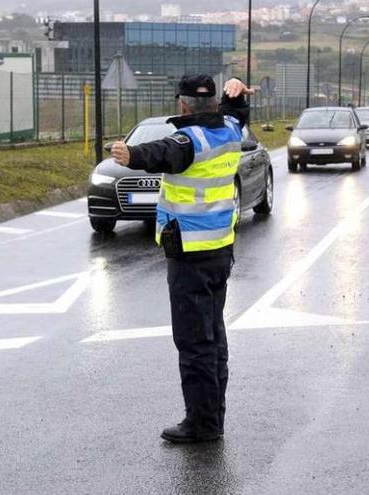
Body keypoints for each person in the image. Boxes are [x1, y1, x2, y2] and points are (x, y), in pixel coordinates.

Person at [109, 75, 252, 444]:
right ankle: (212, 417)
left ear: (183, 104)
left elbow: (164, 152)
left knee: (195, 344)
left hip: (189, 253)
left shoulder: (189, 140)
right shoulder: (230, 130)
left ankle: (202, 425)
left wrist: (132, 155)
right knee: (214, 339)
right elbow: (237, 111)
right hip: (220, 248)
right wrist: (234, 91)